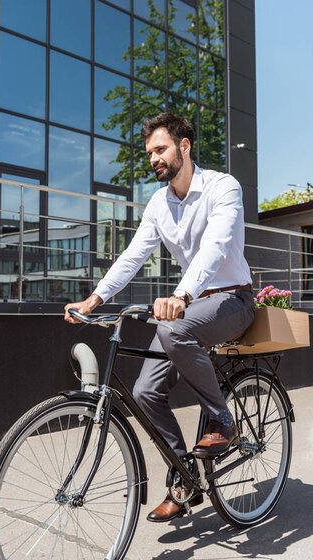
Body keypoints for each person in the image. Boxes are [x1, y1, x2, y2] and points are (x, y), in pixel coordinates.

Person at [64, 112, 255, 522]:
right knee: (146, 391)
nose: (153, 158)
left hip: (232, 300)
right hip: (191, 306)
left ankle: (224, 420)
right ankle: (183, 478)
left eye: (160, 149)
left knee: (173, 326)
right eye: (149, 152)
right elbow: (134, 254)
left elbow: (217, 246)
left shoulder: (223, 186)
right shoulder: (158, 202)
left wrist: (182, 294)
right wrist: (94, 299)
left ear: (184, 148)